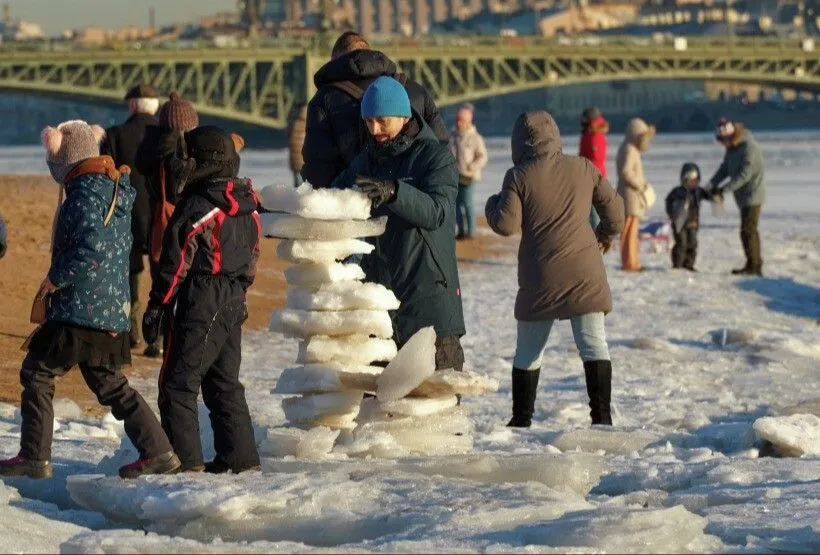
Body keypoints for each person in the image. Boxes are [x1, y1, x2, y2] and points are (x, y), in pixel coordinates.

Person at [0, 120, 180, 480]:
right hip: (109, 307)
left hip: (80, 308)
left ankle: (35, 457)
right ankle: (159, 450)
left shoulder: (83, 193)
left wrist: (55, 278)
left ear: (67, 161)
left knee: (37, 373)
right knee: (110, 385)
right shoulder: (109, 189)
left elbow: (90, 248)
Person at [485, 111, 625, 428]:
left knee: (529, 352)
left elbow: (506, 225)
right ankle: (601, 419)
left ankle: (521, 421)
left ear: (517, 142)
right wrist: (603, 235)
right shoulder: (584, 168)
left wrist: (492, 203)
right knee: (594, 345)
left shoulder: (519, 175)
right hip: (585, 271)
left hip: (541, 276)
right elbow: (616, 212)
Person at [143, 125, 262, 474]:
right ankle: (241, 461)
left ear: (203, 161)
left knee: (177, 385)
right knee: (224, 383)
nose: (184, 164)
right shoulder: (249, 205)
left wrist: (157, 305)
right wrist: (237, 292)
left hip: (203, 295)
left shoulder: (198, 205)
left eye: (188, 158)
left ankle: (186, 469)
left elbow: (175, 262)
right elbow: (254, 256)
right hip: (234, 297)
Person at [329, 76, 466, 370]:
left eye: (382, 120)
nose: (374, 129)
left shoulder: (435, 157)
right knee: (381, 407)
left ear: (403, 117)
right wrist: (296, 214)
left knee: (435, 404)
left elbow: (437, 212)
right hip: (380, 305)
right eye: (368, 122)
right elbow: (332, 196)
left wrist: (395, 192)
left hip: (429, 301)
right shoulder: (367, 160)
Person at [302, 31, 449, 189]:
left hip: (354, 203)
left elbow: (319, 168)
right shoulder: (414, 89)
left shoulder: (323, 99)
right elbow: (440, 148)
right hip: (415, 201)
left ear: (335, 60)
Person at [134, 92, 200, 358]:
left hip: (158, 224)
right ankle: (181, 340)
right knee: (188, 283)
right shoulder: (188, 153)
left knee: (161, 283)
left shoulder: (152, 148)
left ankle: (157, 340)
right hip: (188, 225)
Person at [101, 84, 160, 351]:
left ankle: (131, 332)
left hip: (126, 217)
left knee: (129, 276)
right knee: (162, 279)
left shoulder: (115, 134)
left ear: (133, 106)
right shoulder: (166, 135)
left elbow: (107, 177)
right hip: (160, 217)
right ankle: (157, 339)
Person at [708, 118, 766, 276]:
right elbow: (725, 168)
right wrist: (712, 183)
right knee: (748, 230)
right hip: (741, 196)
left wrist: (723, 190)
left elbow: (744, 175)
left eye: (722, 140)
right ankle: (753, 263)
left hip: (753, 194)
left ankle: (754, 266)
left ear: (730, 136)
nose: (721, 144)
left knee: (748, 230)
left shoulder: (749, 147)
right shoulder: (732, 148)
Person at [616, 118, 655, 272]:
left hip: (630, 195)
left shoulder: (629, 147)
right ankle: (630, 263)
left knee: (632, 231)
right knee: (629, 232)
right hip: (630, 194)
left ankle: (633, 261)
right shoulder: (629, 149)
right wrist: (641, 185)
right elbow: (626, 172)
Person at [665, 163, 716, 271]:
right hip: (679, 223)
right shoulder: (677, 191)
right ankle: (677, 264)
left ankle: (689, 264)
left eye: (695, 180)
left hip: (693, 223)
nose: (692, 183)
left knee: (692, 243)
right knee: (681, 243)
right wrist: (671, 213)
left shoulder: (698, 191)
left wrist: (715, 195)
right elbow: (668, 200)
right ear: (684, 179)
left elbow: (708, 195)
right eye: (689, 180)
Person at [449, 103, 488, 240]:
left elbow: (483, 156)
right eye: (457, 120)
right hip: (456, 176)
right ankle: (461, 231)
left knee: (467, 203)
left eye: (462, 121)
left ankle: (471, 232)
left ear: (468, 122)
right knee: (458, 204)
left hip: (470, 176)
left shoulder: (475, 138)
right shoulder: (452, 137)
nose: (459, 123)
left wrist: (472, 166)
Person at [579, 106, 609, 229]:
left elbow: (596, 157)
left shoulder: (594, 135)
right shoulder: (590, 133)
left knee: (593, 211)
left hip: (593, 177)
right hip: (590, 175)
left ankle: (595, 239)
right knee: (590, 210)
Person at [287, 103, 307, 187]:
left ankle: (297, 199)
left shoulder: (293, 123)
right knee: (304, 185)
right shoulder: (309, 123)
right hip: (305, 158)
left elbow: (288, 136)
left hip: (295, 158)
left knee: (297, 184)